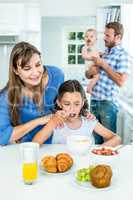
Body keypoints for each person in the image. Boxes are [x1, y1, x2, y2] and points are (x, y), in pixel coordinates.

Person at [0, 41, 64, 145]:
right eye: (27, 68)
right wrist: (38, 121)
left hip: (58, 143)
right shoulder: (6, 96)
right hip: (28, 148)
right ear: (16, 70)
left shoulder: (57, 75)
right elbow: (2, 136)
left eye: (38, 65)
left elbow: (65, 101)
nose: (35, 72)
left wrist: (82, 112)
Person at [32, 80, 121, 147]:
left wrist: (99, 149)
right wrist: (52, 123)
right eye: (67, 104)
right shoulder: (55, 121)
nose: (72, 109)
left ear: (82, 103)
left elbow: (117, 138)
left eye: (77, 104)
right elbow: (34, 144)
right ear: (59, 103)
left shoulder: (89, 121)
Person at [85, 22, 132, 144]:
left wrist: (103, 65)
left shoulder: (124, 56)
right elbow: (88, 75)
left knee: (109, 143)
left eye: (108, 35)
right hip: (94, 101)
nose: (104, 38)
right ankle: (97, 163)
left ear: (118, 37)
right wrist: (90, 71)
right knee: (96, 142)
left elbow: (121, 81)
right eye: (104, 34)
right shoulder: (104, 53)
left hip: (108, 104)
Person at [82, 29, 101, 94]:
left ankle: (92, 87)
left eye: (91, 36)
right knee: (97, 76)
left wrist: (101, 54)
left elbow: (98, 54)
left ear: (96, 39)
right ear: (84, 38)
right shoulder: (85, 47)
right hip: (89, 68)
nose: (88, 38)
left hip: (95, 67)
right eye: (86, 36)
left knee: (97, 77)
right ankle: (89, 88)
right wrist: (92, 58)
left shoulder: (95, 48)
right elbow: (84, 56)